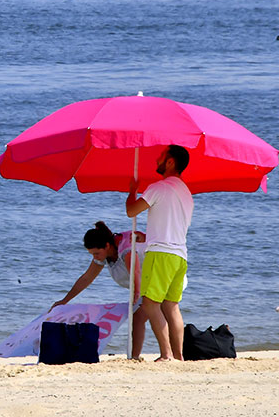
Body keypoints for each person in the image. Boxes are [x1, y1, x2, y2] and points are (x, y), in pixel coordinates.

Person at [126, 144, 193, 361]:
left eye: (161, 157)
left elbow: (131, 211)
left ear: (170, 162)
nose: (157, 160)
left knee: (149, 304)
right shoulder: (186, 193)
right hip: (180, 255)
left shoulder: (159, 187)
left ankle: (166, 354)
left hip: (161, 253)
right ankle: (178, 356)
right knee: (171, 306)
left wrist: (132, 191)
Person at [50, 221, 151, 358]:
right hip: (143, 286)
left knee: (140, 317)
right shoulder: (104, 256)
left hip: (156, 279)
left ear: (107, 246)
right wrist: (64, 300)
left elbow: (136, 272)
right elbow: (86, 278)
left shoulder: (125, 250)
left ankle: (144, 356)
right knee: (140, 318)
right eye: (92, 254)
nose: (95, 257)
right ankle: (136, 357)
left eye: (96, 253)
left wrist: (136, 294)